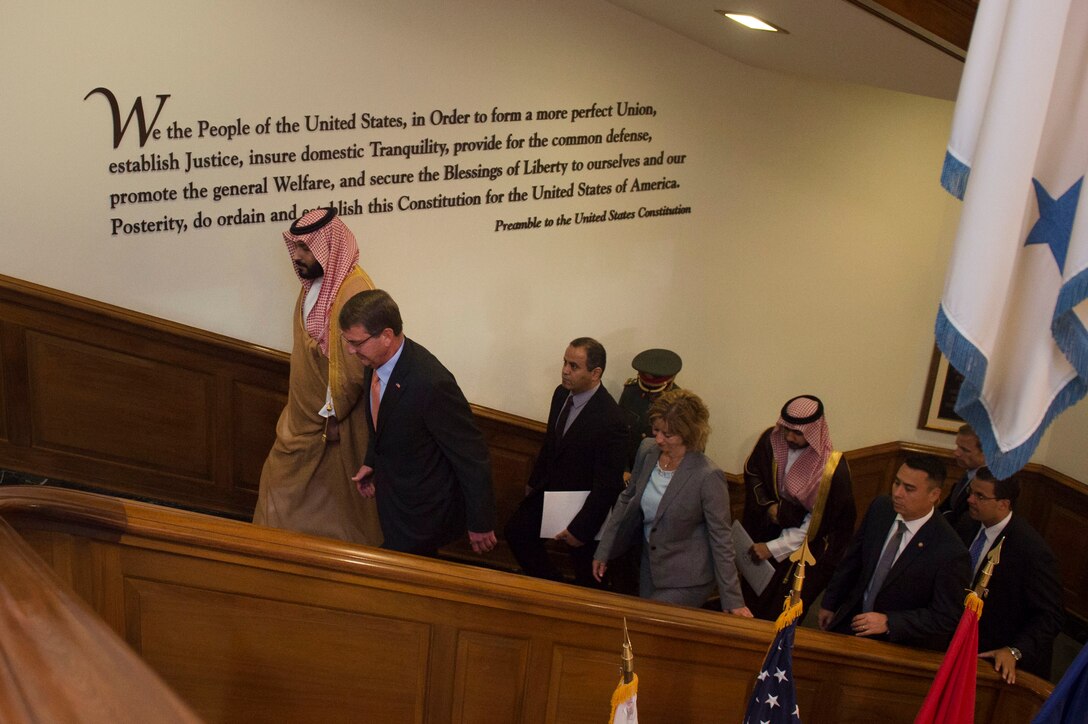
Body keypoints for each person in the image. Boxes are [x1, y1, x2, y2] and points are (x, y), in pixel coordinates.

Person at [253, 208, 381, 546]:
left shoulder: (353, 292)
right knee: (285, 486)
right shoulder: (315, 284)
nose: (297, 256)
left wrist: (331, 413)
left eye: (305, 249)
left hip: (331, 422)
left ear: (328, 247)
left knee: (337, 507)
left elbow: (355, 367)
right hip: (303, 415)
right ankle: (275, 552)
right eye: (295, 247)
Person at [339, 289, 497, 557]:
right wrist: (371, 462)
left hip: (423, 510)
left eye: (356, 342)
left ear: (386, 336)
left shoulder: (432, 383)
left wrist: (481, 521)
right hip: (393, 497)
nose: (350, 350)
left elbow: (471, 456)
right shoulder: (374, 361)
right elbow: (383, 420)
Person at [592, 390, 752, 616]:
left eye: (668, 435)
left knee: (646, 624)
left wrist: (733, 598)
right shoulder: (648, 451)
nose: (658, 439)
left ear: (688, 434)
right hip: (651, 566)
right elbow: (627, 498)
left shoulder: (707, 476)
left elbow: (721, 538)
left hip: (688, 578)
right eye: (656, 430)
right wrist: (604, 549)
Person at [504, 338, 627, 587]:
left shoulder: (612, 419)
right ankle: (552, 588)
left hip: (583, 508)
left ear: (596, 373)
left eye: (574, 366)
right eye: (564, 362)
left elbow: (607, 485)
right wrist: (533, 482)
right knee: (516, 533)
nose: (565, 370)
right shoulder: (561, 395)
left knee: (588, 578)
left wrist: (582, 529)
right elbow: (551, 444)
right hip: (548, 493)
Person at [818, 454, 970, 651]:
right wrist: (830, 603)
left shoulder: (950, 551)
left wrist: (890, 622)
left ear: (934, 495)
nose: (897, 493)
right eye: (896, 483)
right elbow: (852, 561)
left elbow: (946, 616)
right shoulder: (881, 509)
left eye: (909, 489)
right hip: (851, 621)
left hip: (897, 643)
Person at [740, 394, 855, 620]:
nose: (789, 437)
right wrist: (769, 506)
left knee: (776, 614)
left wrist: (773, 548)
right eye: (786, 430)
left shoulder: (832, 470)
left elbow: (816, 525)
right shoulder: (771, 441)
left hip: (800, 551)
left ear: (814, 432)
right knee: (748, 603)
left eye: (798, 433)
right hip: (765, 531)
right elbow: (753, 473)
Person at [958, 468, 1063, 683]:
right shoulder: (967, 524)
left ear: (1003, 504)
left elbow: (1050, 617)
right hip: (958, 636)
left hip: (993, 652)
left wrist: (1014, 650)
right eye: (971, 491)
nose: (970, 499)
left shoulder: (1032, 551)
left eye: (980, 496)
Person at [617, 348, 682, 467]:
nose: (649, 389)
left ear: (671, 378)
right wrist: (624, 467)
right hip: (626, 466)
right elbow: (619, 431)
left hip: (657, 467)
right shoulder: (631, 392)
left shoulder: (680, 404)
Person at [938, 423, 986, 528]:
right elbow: (948, 508)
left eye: (965, 450)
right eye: (958, 446)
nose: (956, 453)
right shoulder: (969, 473)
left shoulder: (989, 484)